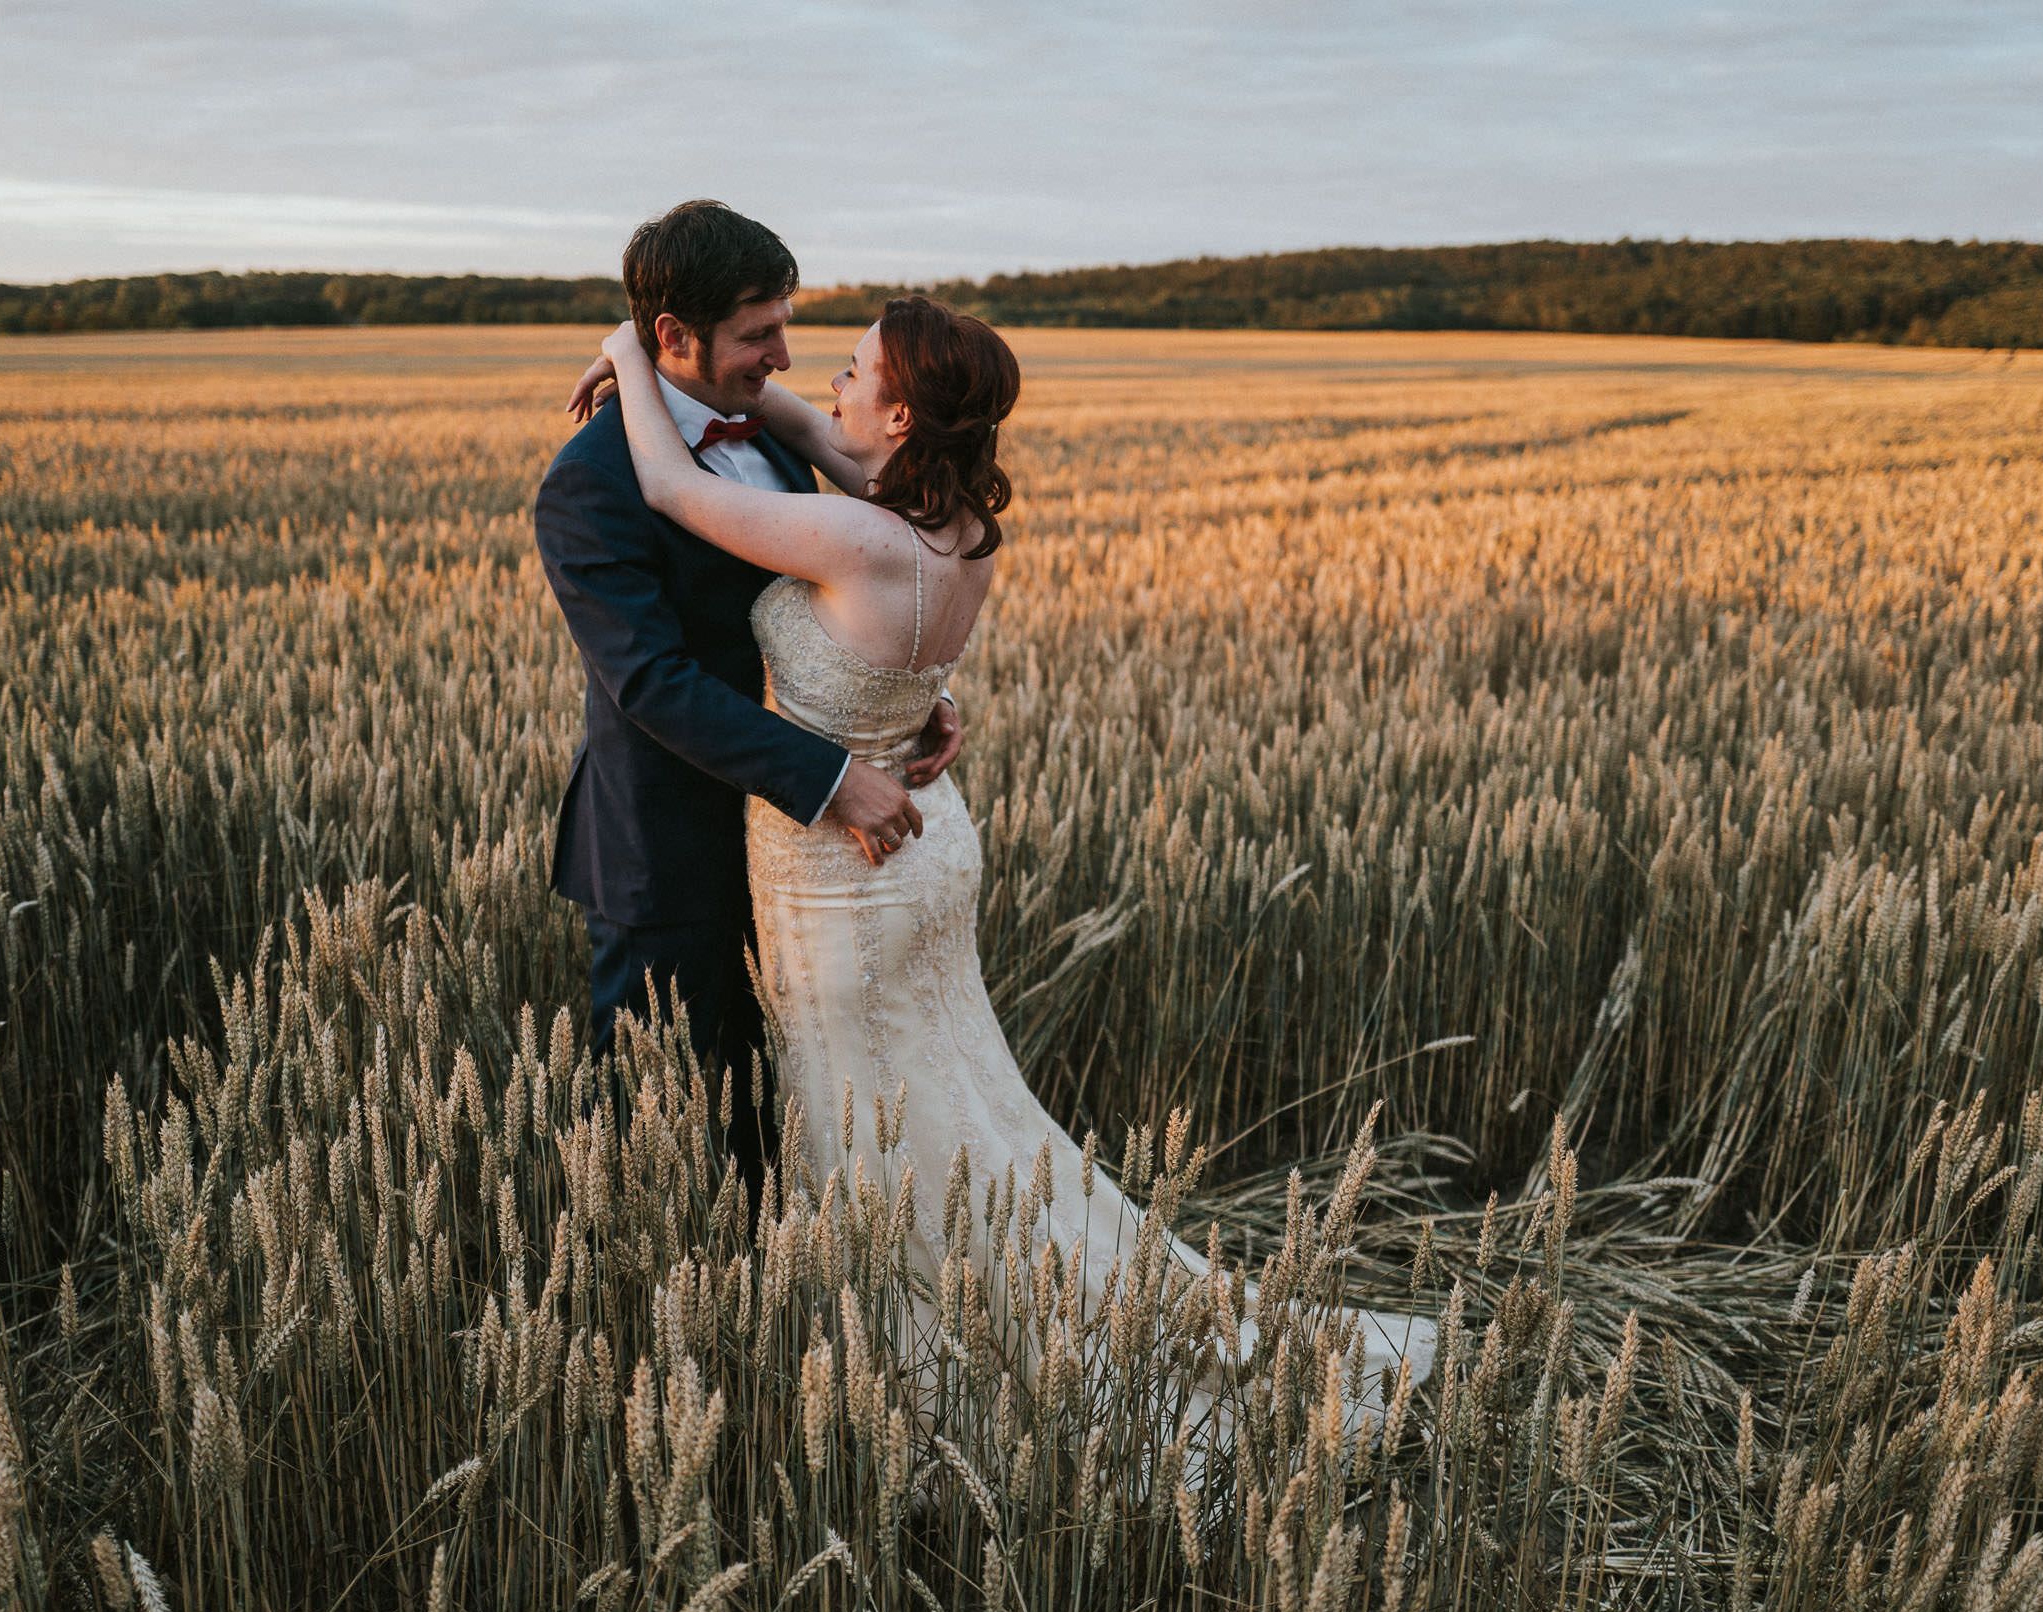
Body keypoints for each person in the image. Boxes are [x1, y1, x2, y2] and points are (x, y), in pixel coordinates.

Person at [566, 277, 1441, 1421]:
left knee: (874, 1123)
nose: (818, 375)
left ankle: (936, 1378)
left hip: (849, 861)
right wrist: (901, 702)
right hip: (916, 844)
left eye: (854, 372)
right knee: (951, 1104)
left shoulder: (857, 530)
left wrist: (631, 354)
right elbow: (821, 454)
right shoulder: (951, 523)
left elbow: (677, 486)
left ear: (897, 423)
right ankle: (1002, 1314)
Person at [534, 201, 960, 1216]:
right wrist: (828, 781)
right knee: (663, 1123)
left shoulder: (769, 438)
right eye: (757, 331)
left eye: (783, 322)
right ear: (673, 339)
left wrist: (912, 694)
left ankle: (787, 1318)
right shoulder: (587, 486)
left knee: (784, 1107)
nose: (783, 355)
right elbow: (649, 682)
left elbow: (843, 599)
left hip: (794, 853)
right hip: (668, 845)